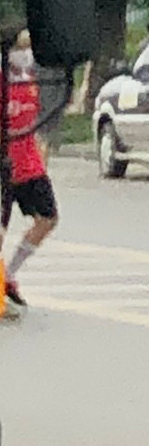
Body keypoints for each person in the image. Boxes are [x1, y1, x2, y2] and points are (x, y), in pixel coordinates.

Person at [3, 28, 58, 311]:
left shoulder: (30, 81)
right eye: (20, 48)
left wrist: (41, 154)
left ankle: (9, 275)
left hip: (28, 165)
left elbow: (36, 123)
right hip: (3, 166)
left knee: (47, 218)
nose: (26, 54)